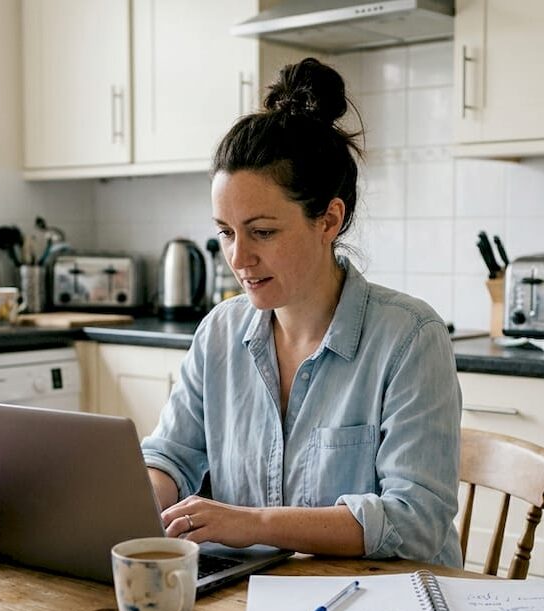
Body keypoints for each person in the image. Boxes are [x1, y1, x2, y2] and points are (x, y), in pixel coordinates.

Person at [141, 58, 463, 567]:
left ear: (328, 219)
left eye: (262, 232)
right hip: (249, 598)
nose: (238, 259)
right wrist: (131, 500)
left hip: (386, 610)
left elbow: (415, 519)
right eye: (226, 232)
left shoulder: (409, 338)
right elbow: (171, 456)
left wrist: (251, 524)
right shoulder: (219, 334)